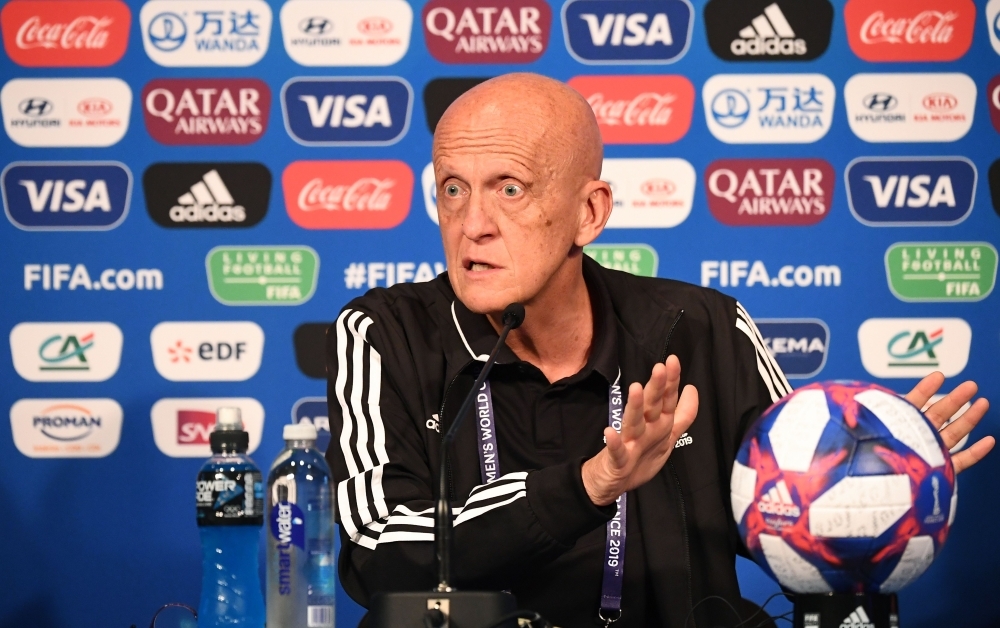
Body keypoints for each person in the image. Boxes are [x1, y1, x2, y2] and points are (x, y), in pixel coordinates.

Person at [324, 73, 993, 627]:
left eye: (509, 189)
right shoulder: (387, 335)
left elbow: (791, 524)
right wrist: (589, 486)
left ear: (590, 213)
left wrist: (868, 490)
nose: (472, 225)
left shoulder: (702, 327)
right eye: (452, 189)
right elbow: (378, 551)